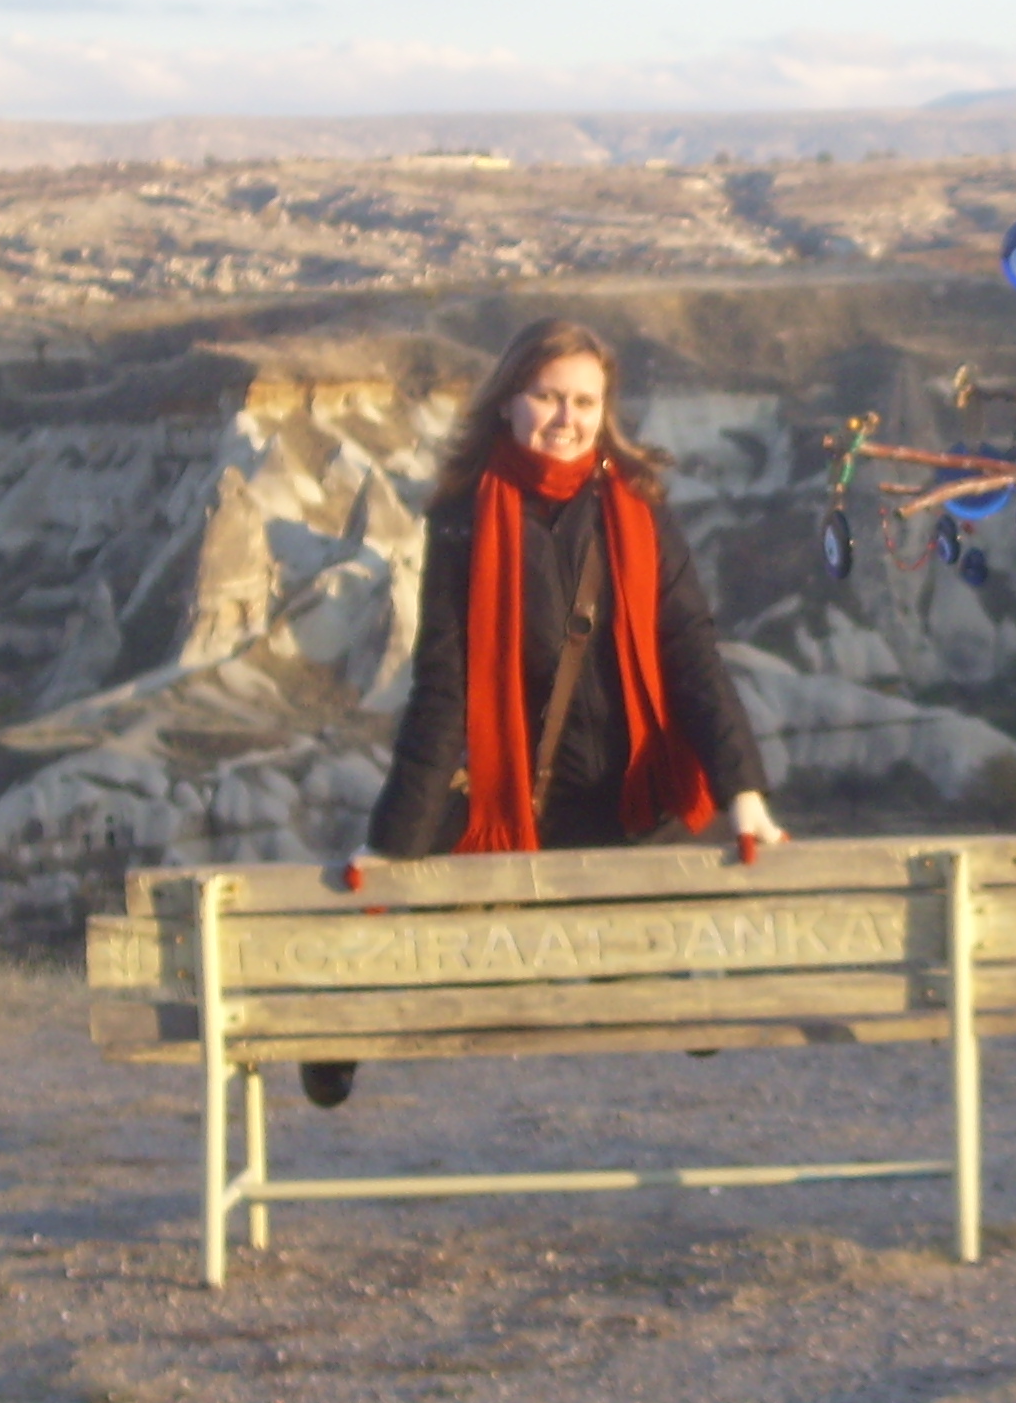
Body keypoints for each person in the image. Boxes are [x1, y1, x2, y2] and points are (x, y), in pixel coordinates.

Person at [304, 317, 786, 1108]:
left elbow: (691, 656)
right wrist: (393, 841)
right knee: (403, 919)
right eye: (547, 397)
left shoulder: (638, 508)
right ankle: (337, 1035)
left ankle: (660, 984)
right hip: (508, 797)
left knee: (674, 988)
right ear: (506, 401)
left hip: (619, 798)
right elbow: (445, 691)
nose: (567, 418)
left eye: (585, 402)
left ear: (606, 411)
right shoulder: (464, 517)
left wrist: (744, 792)